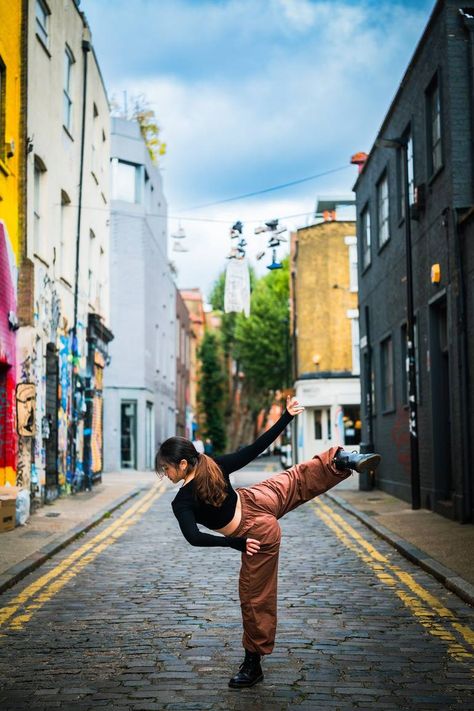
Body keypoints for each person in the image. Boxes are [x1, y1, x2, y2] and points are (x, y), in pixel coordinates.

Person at [155, 396, 381, 689]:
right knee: (296, 479)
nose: (165, 475)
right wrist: (286, 416)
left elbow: (194, 538)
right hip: (258, 497)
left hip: (255, 532)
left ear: (183, 464)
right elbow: (256, 448)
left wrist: (236, 544)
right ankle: (341, 459)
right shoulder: (214, 465)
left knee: (254, 598)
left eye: (167, 469)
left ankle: (253, 664)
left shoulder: (182, 501)